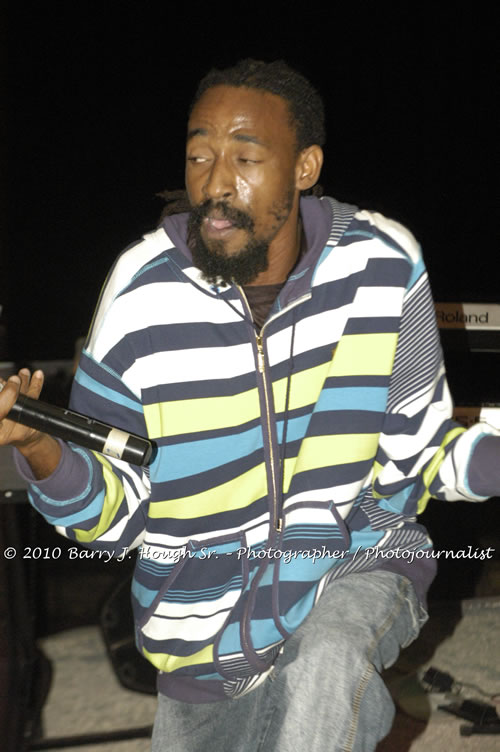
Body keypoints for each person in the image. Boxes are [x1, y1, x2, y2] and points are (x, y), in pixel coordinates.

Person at [1, 59, 499, 752]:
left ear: (304, 167)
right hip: (198, 628)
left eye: (245, 157)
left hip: (354, 561)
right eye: (199, 156)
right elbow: (118, 514)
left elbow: (419, 450)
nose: (214, 183)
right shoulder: (141, 294)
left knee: (327, 664)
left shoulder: (381, 265)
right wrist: (39, 448)